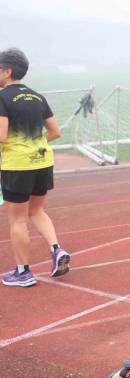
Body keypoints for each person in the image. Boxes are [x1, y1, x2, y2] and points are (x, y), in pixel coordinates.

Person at [0, 48, 70, 287]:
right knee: (37, 211)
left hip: (18, 165)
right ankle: (56, 249)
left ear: (7, 71)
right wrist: (35, 144)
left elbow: (1, 135)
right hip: (42, 162)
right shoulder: (37, 96)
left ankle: (23, 272)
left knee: (17, 219)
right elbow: (56, 132)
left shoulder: (2, 97)